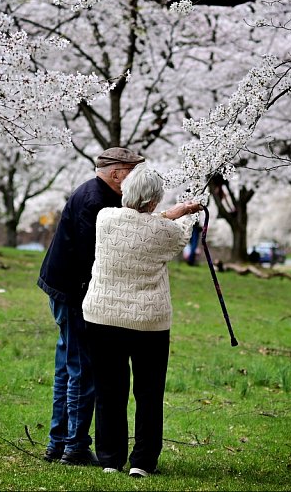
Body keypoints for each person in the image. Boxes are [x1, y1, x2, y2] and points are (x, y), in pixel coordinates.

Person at [81, 167, 202, 478]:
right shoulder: (167, 233)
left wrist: (170, 213)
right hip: (149, 323)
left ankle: (110, 458)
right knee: (148, 393)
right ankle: (143, 462)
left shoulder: (105, 218)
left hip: (103, 318)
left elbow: (139, 226)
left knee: (110, 391)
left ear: (125, 193)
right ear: (155, 201)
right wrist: (187, 213)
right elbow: (171, 233)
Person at [36, 147, 145, 466]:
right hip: (72, 294)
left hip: (63, 289)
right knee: (82, 370)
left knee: (67, 369)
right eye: (132, 171)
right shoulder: (95, 201)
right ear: (116, 173)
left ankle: (58, 444)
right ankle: (74, 447)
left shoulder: (97, 193)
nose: (135, 177)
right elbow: (92, 259)